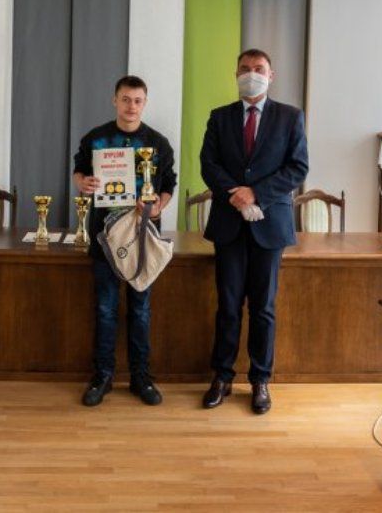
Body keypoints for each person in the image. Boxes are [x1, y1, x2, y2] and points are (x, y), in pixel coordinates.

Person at [199, 49, 309, 415]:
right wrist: (235, 193)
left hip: (270, 225)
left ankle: (260, 380)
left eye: (259, 69)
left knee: (263, 308)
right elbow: (208, 164)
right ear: (236, 74)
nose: (252, 74)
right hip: (228, 223)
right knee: (228, 306)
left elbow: (297, 168)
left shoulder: (290, 117)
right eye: (245, 69)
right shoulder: (219, 117)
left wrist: (256, 192)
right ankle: (222, 376)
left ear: (271, 75)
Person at [72, 75, 177, 407]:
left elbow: (168, 184)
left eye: (138, 100)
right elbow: (78, 171)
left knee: (140, 310)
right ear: (114, 100)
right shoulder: (95, 139)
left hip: (143, 237)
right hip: (105, 237)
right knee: (105, 309)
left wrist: (159, 205)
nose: (131, 106)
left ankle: (140, 377)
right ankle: (102, 377)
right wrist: (82, 183)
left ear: (145, 103)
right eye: (126, 99)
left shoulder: (158, 144)